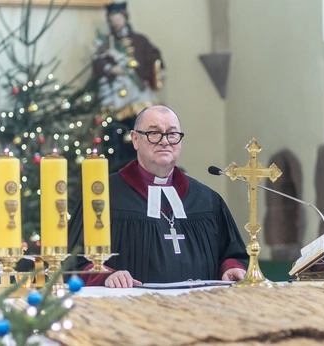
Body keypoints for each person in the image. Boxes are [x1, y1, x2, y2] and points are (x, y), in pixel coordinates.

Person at [68, 106, 248, 288]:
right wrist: (106, 276)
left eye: (172, 134)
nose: (165, 142)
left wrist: (230, 268)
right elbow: (74, 261)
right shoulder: (103, 196)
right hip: (129, 310)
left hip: (198, 309)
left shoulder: (207, 200)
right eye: (154, 133)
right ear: (135, 139)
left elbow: (232, 254)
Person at [93, 1, 165, 116]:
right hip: (116, 90)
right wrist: (111, 69)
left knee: (141, 118)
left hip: (137, 89)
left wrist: (153, 70)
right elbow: (98, 61)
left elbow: (153, 57)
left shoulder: (140, 40)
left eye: (118, 19)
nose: (115, 23)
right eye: (112, 21)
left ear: (125, 18)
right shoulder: (108, 42)